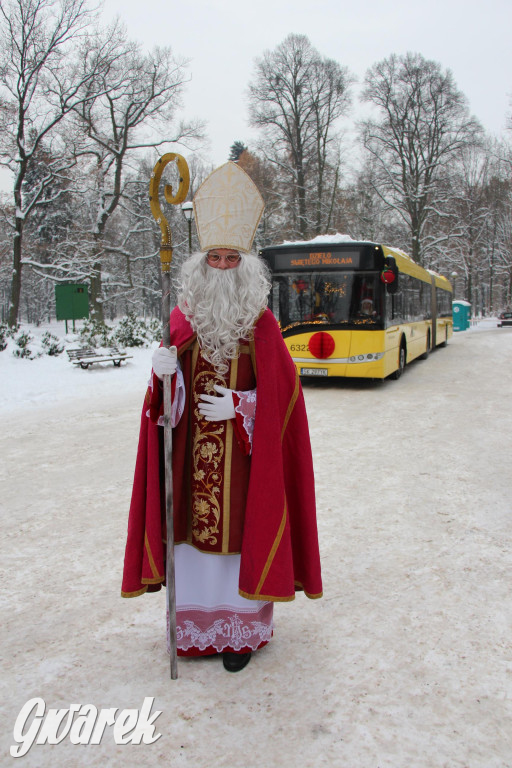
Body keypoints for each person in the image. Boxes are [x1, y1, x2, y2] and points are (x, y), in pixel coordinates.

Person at [122, 162, 322, 672]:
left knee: (237, 543)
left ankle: (238, 634)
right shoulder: (182, 319)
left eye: (233, 257)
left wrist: (240, 405)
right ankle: (194, 631)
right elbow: (162, 411)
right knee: (191, 540)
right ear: (202, 262)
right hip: (190, 464)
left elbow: (285, 403)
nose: (224, 265)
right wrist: (163, 373)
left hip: (245, 469)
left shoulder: (263, 323)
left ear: (246, 263)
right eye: (216, 256)